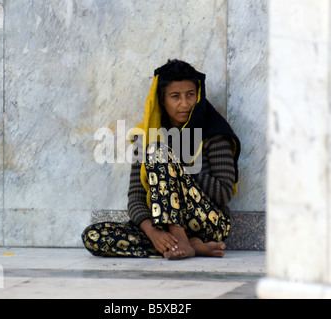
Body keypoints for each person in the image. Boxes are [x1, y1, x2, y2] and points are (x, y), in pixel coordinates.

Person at [82, 59, 241, 260]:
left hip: (208, 223)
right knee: (94, 236)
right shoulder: (147, 135)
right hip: (161, 225)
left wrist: (180, 163)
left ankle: (181, 238)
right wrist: (153, 233)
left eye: (190, 95)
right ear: (162, 100)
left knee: (158, 152)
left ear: (198, 96)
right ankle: (184, 245)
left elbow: (224, 193)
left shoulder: (214, 132)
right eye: (175, 96)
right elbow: (136, 199)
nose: (184, 103)